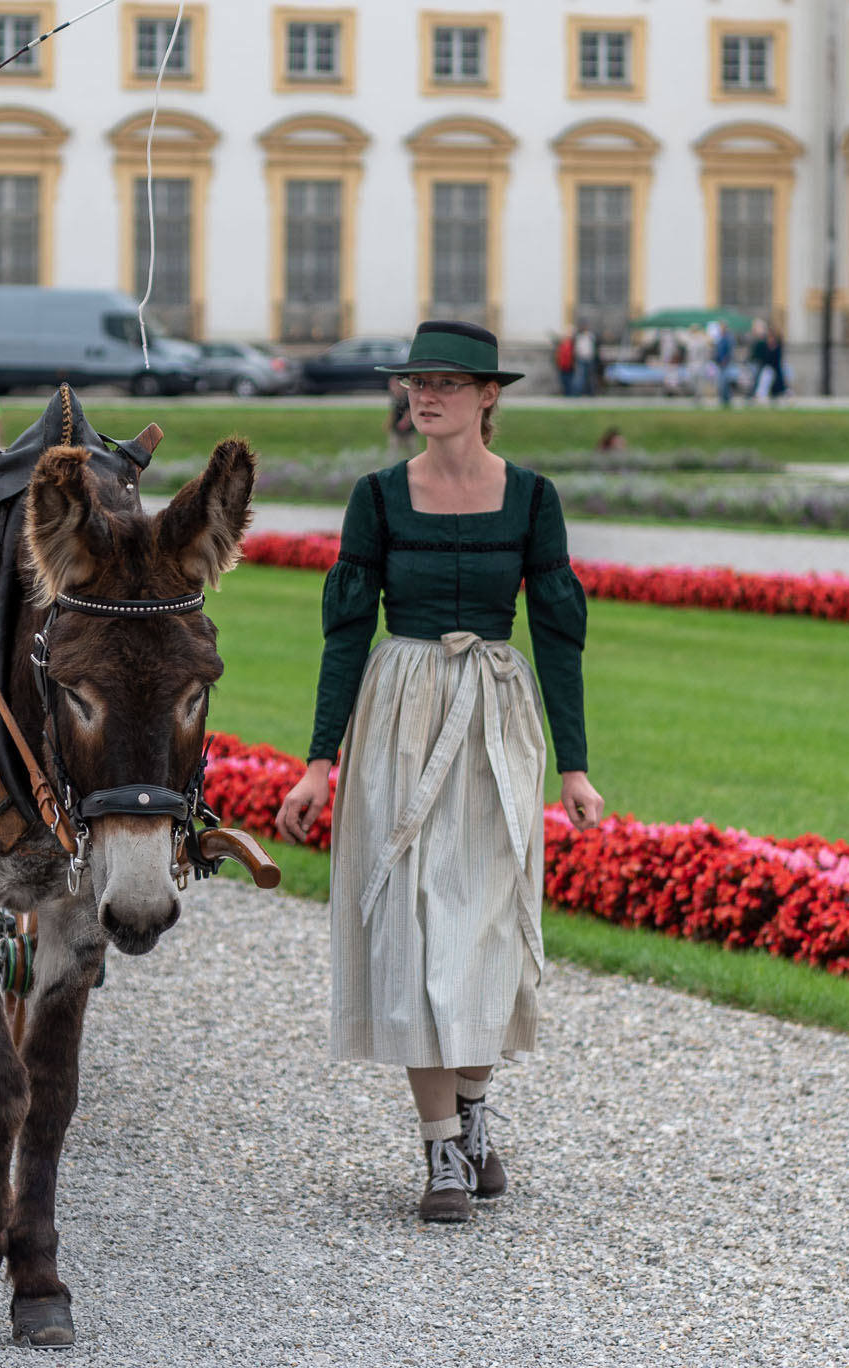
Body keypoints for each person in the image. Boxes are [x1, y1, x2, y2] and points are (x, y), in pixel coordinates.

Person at [273, 319, 603, 1225]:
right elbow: (346, 633)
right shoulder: (377, 496)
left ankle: (476, 1108)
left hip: (496, 712)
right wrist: (317, 762)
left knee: (488, 929)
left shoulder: (533, 498)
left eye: (449, 382)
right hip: (402, 712)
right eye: (417, 381)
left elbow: (560, 633)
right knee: (416, 932)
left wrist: (573, 768)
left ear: (489, 396)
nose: (426, 395)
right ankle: (441, 1153)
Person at [709, 319, 737, 407]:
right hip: (720, 364)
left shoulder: (728, 338)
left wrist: (725, 360)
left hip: (726, 364)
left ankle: (726, 399)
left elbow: (730, 352)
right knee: (722, 382)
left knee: (724, 382)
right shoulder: (720, 338)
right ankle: (724, 399)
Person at [571, 325, 597, 398]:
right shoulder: (579, 338)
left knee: (590, 377)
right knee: (580, 377)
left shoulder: (591, 337)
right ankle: (578, 393)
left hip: (590, 359)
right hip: (580, 359)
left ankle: (591, 393)